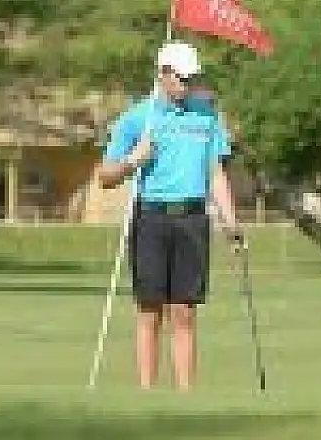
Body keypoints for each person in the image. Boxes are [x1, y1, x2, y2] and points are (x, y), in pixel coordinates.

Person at [96, 41, 244, 391]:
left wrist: (230, 221)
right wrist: (134, 160)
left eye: (192, 79)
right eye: (182, 78)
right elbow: (104, 176)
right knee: (150, 310)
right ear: (163, 74)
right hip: (151, 217)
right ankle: (147, 392)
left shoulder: (206, 116)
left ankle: (184, 395)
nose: (188, 85)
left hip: (192, 218)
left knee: (184, 311)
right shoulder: (138, 118)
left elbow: (215, 173)